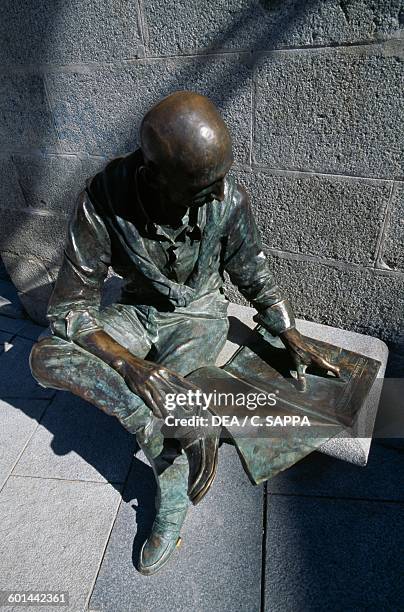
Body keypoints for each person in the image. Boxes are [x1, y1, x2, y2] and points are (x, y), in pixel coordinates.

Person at [30, 91, 339, 575]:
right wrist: (131, 368)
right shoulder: (104, 198)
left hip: (198, 315)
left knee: (173, 388)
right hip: (133, 313)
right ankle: (175, 429)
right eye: (201, 189)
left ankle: (170, 489)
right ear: (153, 177)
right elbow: (69, 309)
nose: (219, 196)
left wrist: (289, 331)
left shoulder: (227, 199)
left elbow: (253, 270)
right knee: (46, 356)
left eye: (219, 182)